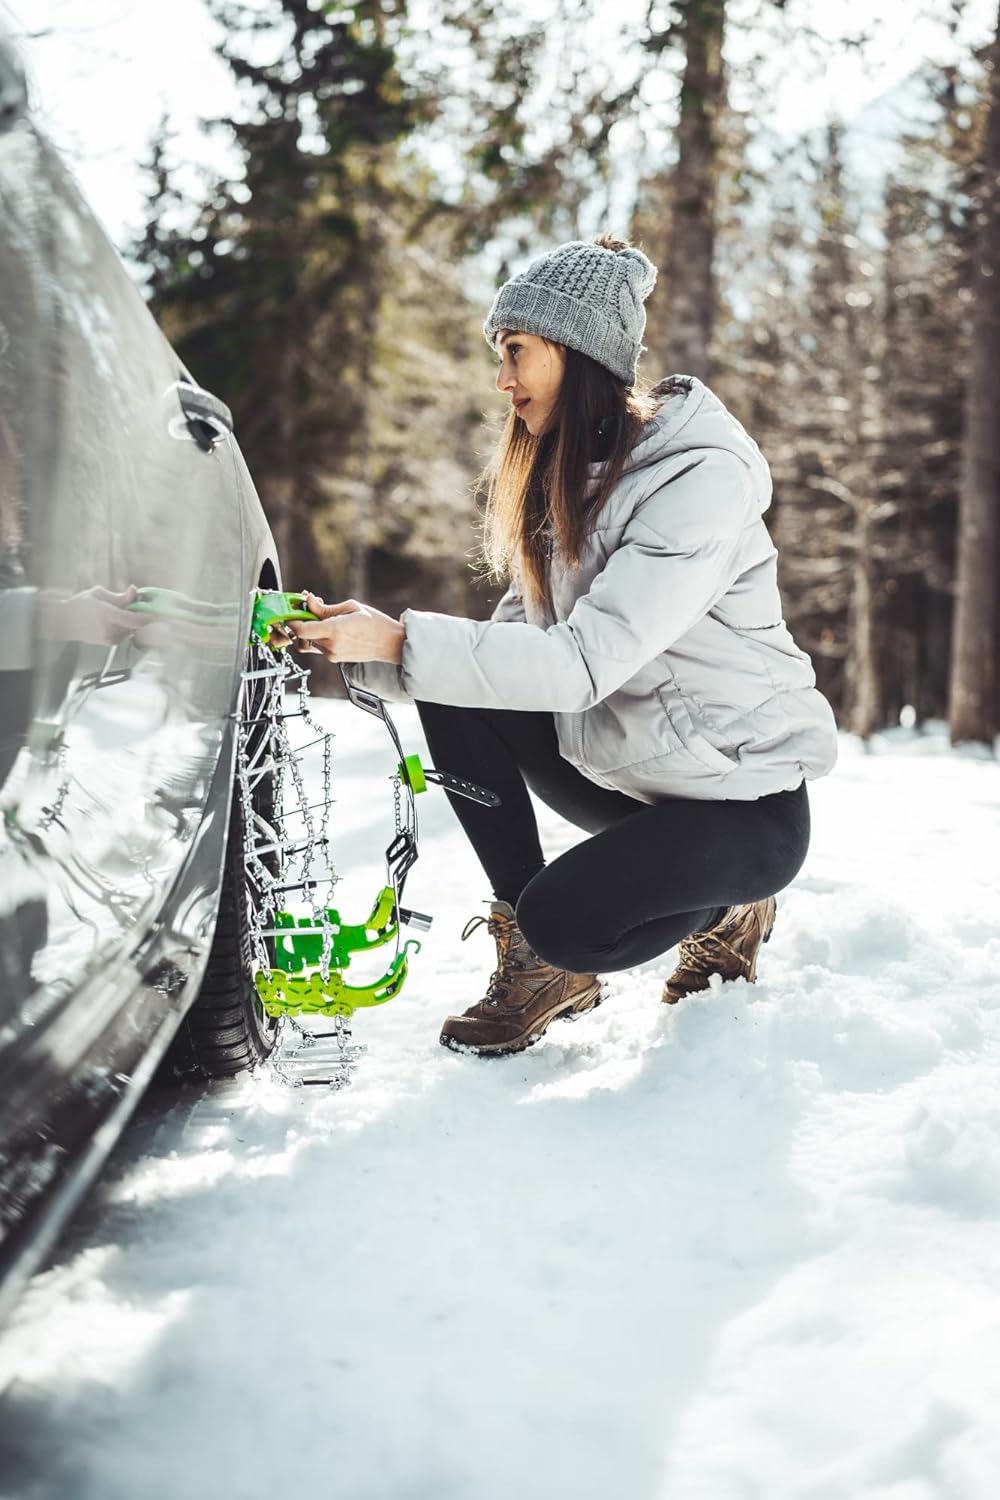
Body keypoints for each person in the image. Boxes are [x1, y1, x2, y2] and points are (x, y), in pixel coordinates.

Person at [285, 233, 839, 1058]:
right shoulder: (567, 482)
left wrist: (405, 638)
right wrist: (358, 646)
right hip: (633, 782)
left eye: (515, 352)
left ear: (575, 352)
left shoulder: (697, 481)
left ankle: (726, 905)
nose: (501, 379)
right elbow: (506, 652)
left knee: (569, 920)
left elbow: (582, 665)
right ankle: (536, 965)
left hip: (742, 803)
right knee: (452, 676)